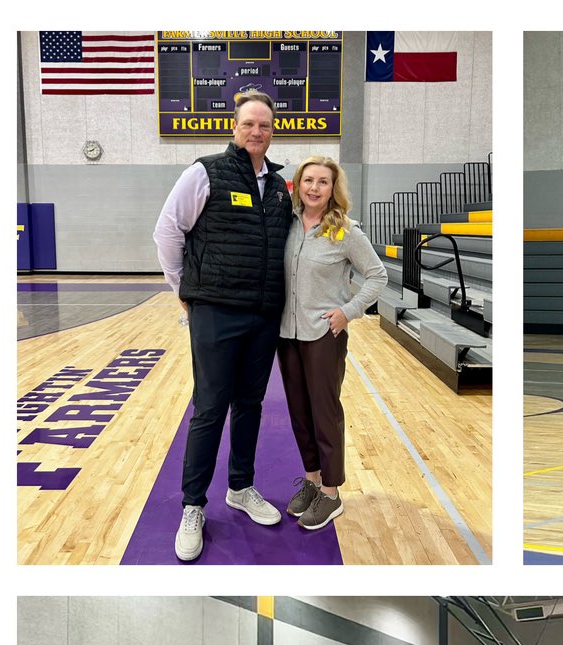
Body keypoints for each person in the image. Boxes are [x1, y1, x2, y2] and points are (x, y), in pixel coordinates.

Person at [153, 90, 293, 561]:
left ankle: (241, 487)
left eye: (265, 126)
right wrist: (185, 291)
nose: (257, 132)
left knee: (250, 404)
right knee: (210, 408)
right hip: (215, 309)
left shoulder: (278, 186)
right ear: (234, 127)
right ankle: (193, 505)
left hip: (262, 314)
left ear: (273, 132)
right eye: (249, 124)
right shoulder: (205, 171)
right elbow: (168, 231)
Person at [278, 156, 388, 530]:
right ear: (298, 184)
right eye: (308, 180)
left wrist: (349, 310)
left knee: (325, 413)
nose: (314, 187)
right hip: (286, 334)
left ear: (333, 188)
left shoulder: (345, 232)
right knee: (299, 412)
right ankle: (311, 481)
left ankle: (331, 492)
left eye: (322, 182)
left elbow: (378, 275)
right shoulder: (287, 225)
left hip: (324, 334)